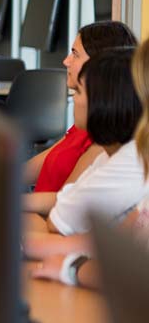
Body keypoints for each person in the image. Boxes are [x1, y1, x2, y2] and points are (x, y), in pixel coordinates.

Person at [23, 20, 137, 214]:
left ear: (99, 64)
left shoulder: (105, 138)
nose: (66, 61)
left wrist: (7, 202)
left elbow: (67, 202)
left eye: (75, 54)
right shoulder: (82, 123)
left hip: (46, 229)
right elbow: (32, 168)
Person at [29, 47, 143, 238]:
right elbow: (67, 197)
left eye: (80, 91)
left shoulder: (124, 160)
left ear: (104, 101)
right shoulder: (109, 154)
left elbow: (58, 224)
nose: (74, 98)